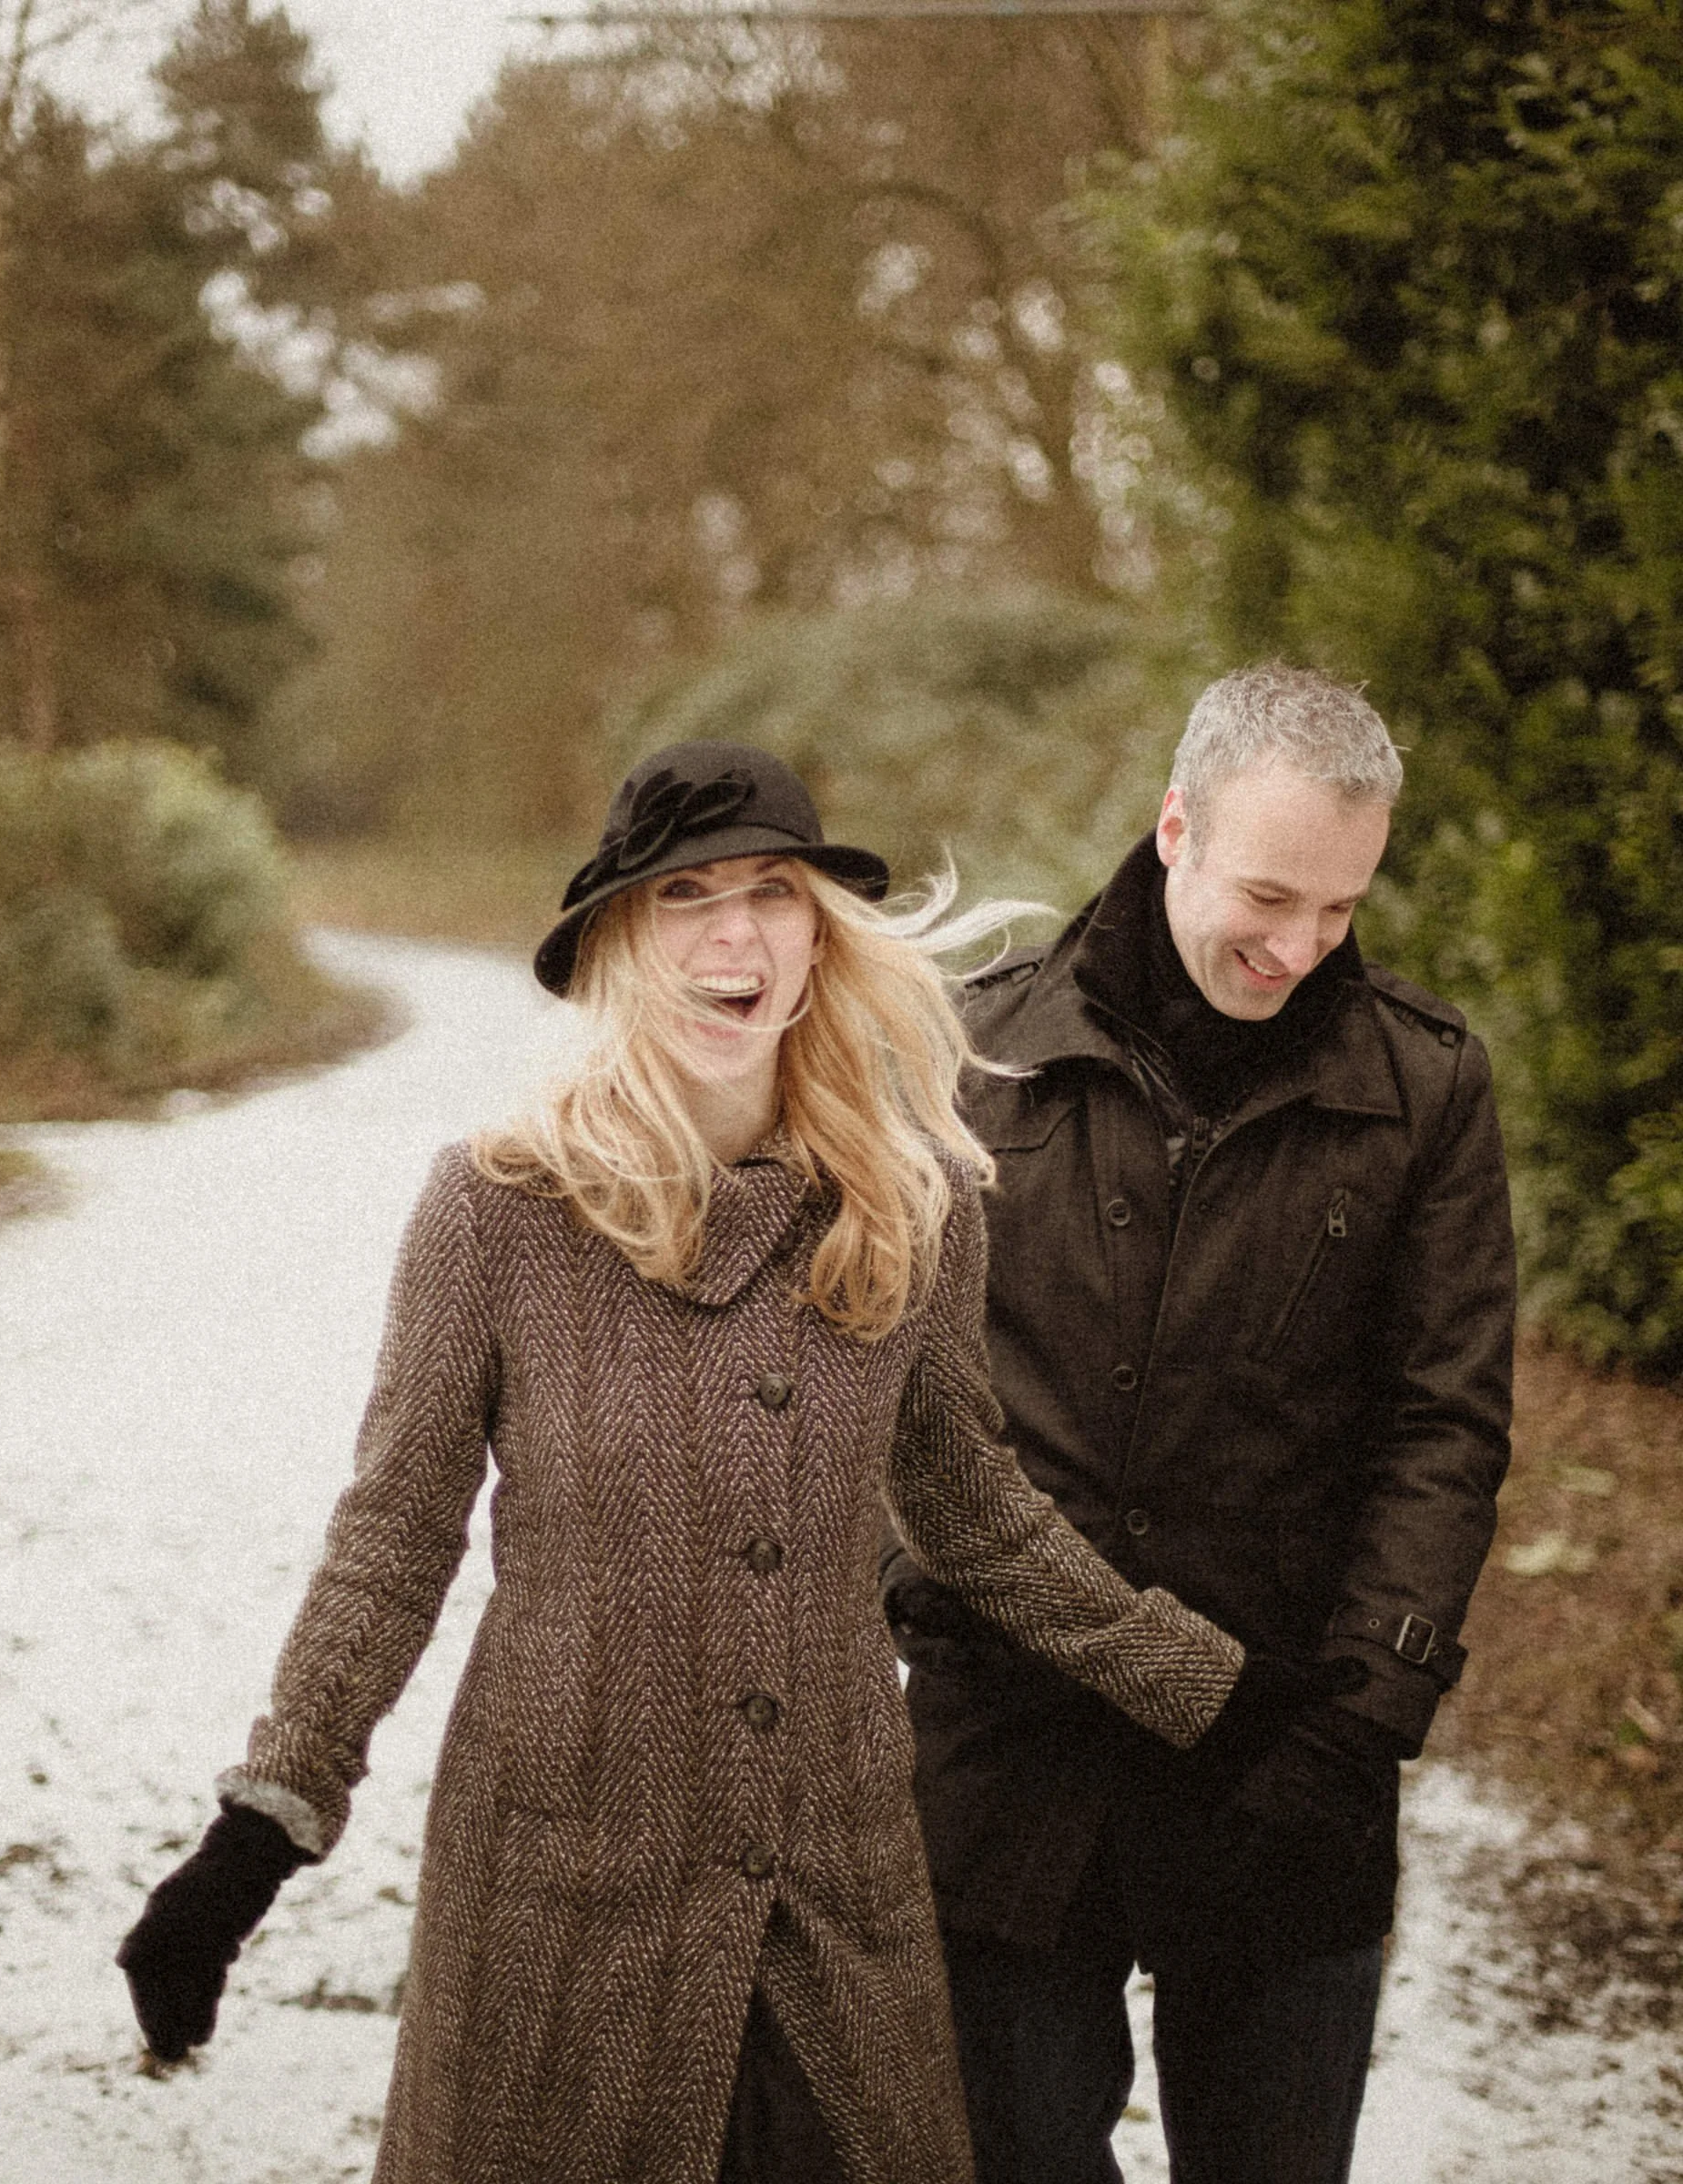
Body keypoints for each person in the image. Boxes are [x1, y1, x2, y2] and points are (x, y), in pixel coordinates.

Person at [116, 740, 1304, 2184]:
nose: (734, 937)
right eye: (687, 896)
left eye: (770, 894)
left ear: (819, 935)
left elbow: (977, 1516)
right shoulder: (497, 1210)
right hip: (560, 1890)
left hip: (835, 1891)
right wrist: (254, 1843)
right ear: (619, 937)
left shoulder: (908, 1212)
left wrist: (1212, 1692)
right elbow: (392, 1547)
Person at [883, 664, 1517, 2184]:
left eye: (1342, 914)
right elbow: (888, 1396)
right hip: (1008, 1760)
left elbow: (1446, 1423)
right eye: (1270, 893)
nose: (1298, 948)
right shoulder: (967, 1055)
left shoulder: (1425, 1087)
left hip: (1288, 1756)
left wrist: (1363, 1720)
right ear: (1177, 826)